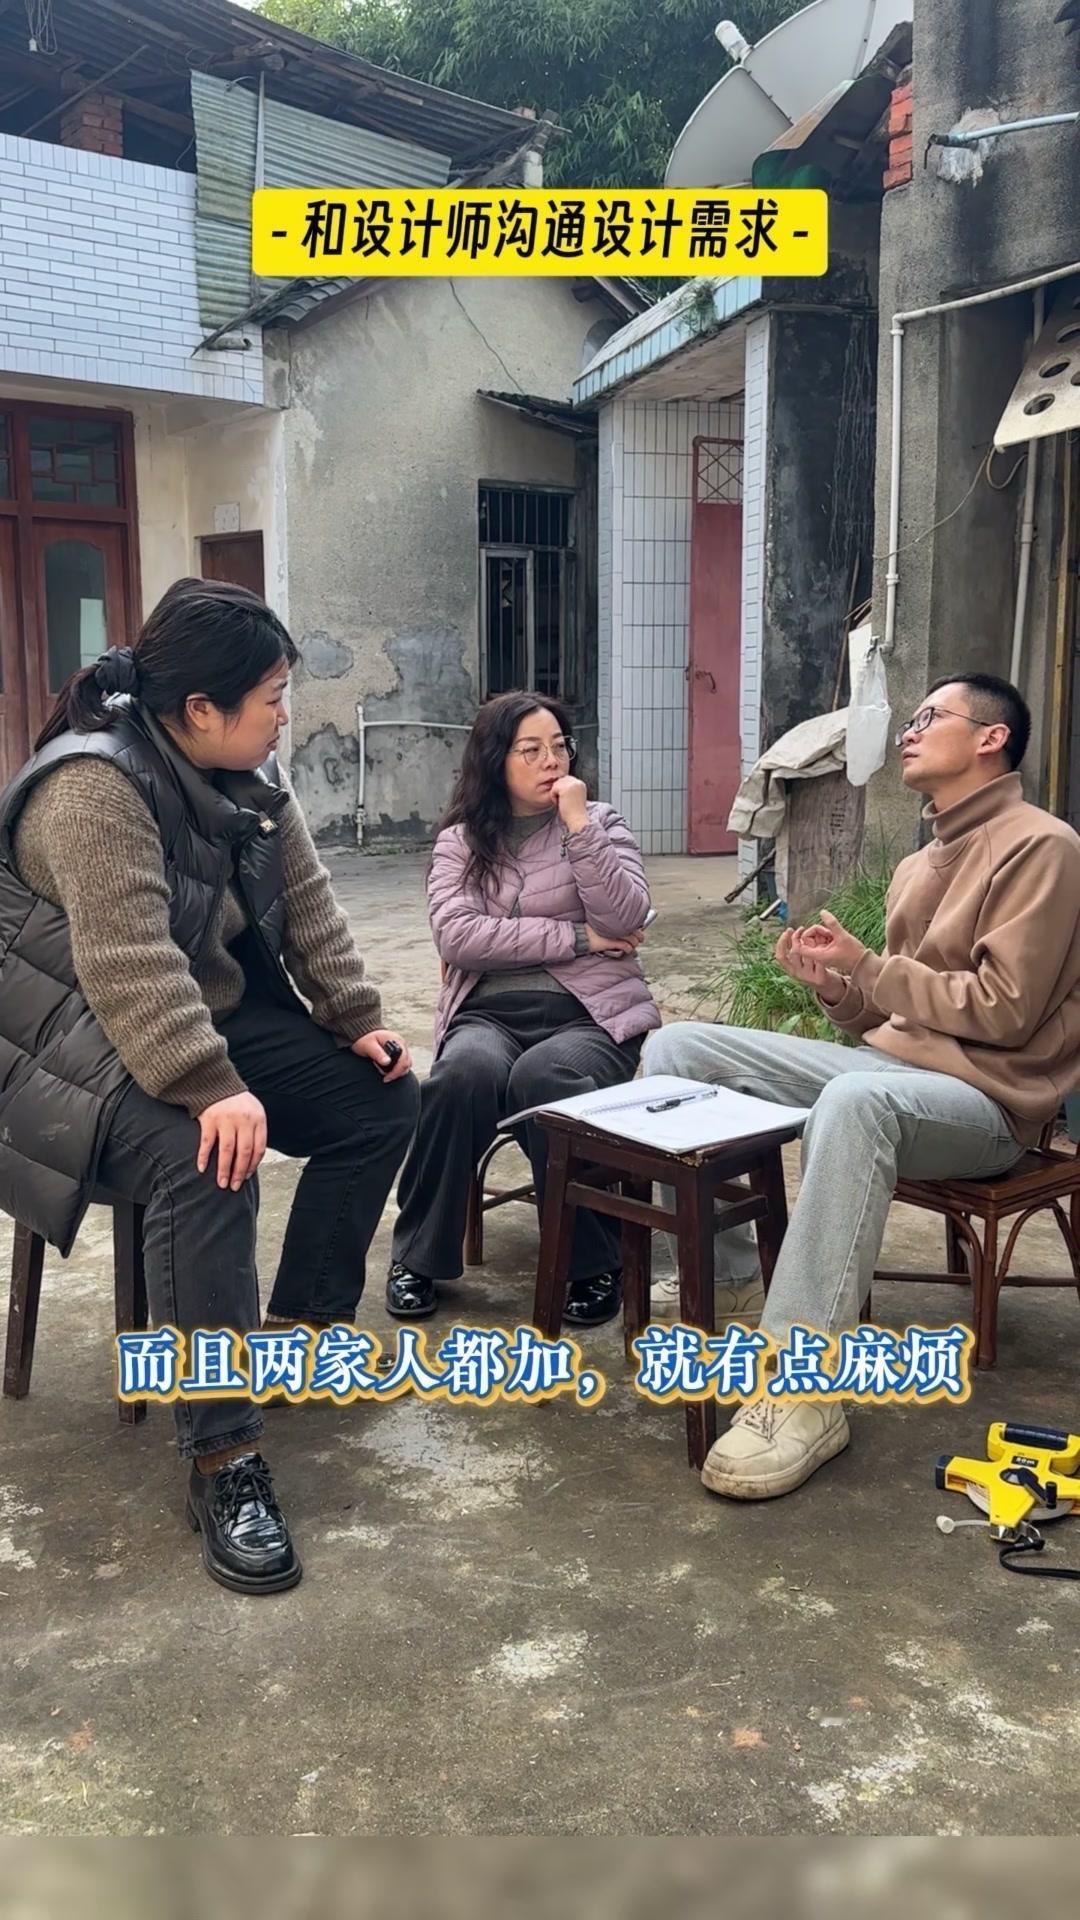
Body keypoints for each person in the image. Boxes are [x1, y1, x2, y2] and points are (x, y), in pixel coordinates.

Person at [0, 578, 418, 1594]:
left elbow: (310, 907)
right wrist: (207, 1084)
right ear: (200, 709)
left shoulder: (249, 778)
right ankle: (223, 1457)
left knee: (382, 1100)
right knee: (208, 1154)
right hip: (62, 1042)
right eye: (272, 698)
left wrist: (357, 1017)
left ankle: (300, 1333)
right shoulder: (92, 789)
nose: (286, 716)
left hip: (192, 1016)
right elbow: (128, 962)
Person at [645, 672, 1080, 1501]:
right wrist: (839, 987)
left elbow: (1006, 1012)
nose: (908, 732)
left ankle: (805, 1391)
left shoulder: (1044, 847)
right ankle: (738, 1285)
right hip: (897, 1075)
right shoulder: (920, 861)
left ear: (991, 739)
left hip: (990, 1102)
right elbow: (889, 1015)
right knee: (679, 1048)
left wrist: (872, 969)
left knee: (855, 1103)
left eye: (929, 718)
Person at [388, 690, 660, 1327]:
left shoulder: (601, 823)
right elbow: (458, 937)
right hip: (489, 1014)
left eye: (559, 746)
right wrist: (578, 937)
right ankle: (418, 1256)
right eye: (530, 750)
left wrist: (579, 828)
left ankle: (593, 1263)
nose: (550, 761)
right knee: (462, 1075)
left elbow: (626, 914)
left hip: (591, 1016)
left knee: (546, 1078)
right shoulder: (461, 843)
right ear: (495, 760)